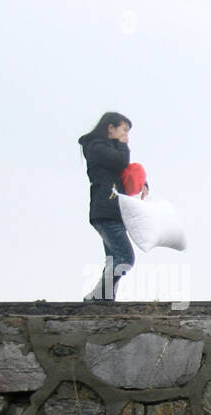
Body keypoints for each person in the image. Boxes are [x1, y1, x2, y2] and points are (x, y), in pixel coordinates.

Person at [77, 112, 135, 301]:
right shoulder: (95, 147)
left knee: (113, 259)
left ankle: (105, 298)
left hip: (113, 211)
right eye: (124, 129)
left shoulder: (109, 149)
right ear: (110, 128)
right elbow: (121, 162)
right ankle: (98, 295)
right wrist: (123, 145)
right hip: (105, 210)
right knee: (125, 258)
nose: (126, 135)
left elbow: (124, 172)